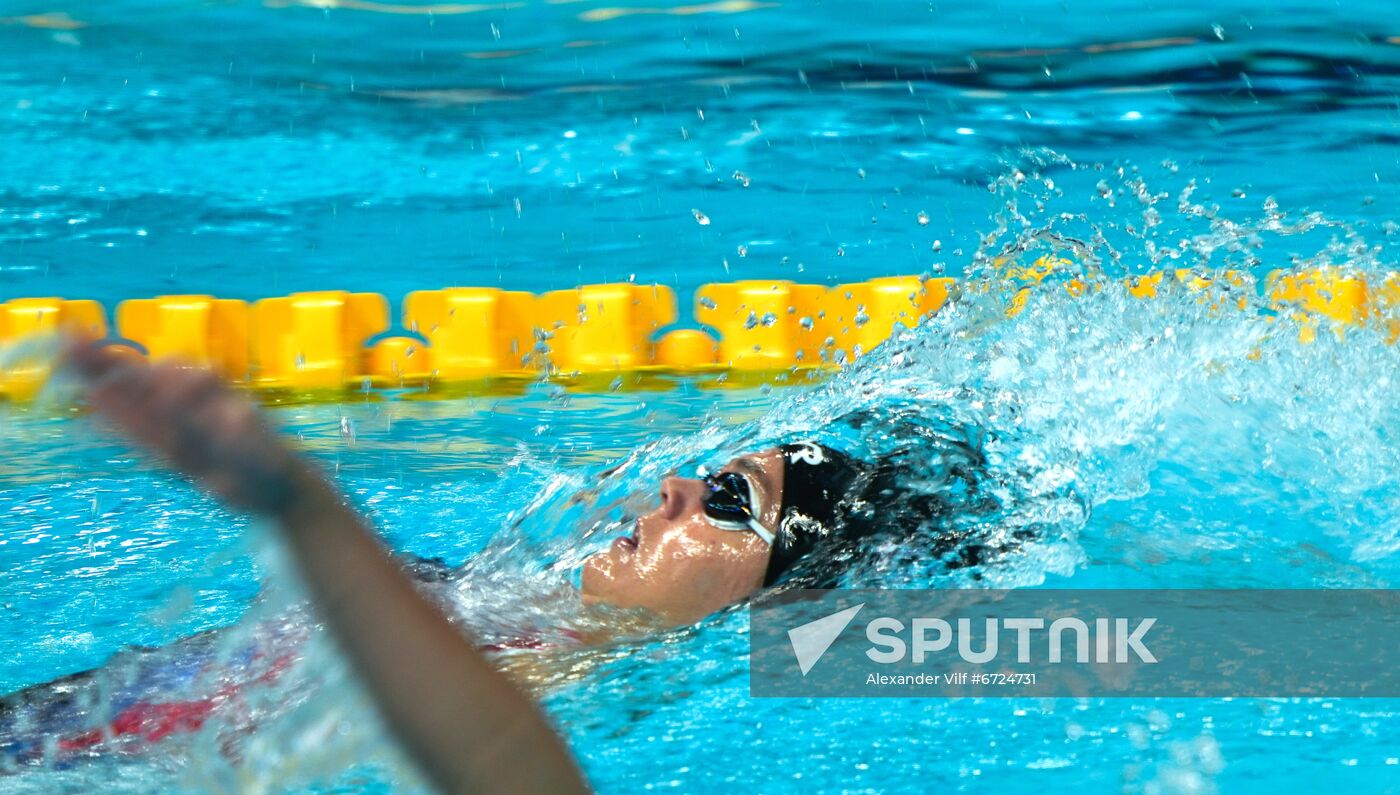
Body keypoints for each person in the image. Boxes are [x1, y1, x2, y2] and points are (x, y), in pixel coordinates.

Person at [3, 341, 999, 788]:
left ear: (801, 602)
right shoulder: (492, 598)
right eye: (706, 477)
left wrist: (293, 502)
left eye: (731, 503)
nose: (672, 494)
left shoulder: (542, 697)